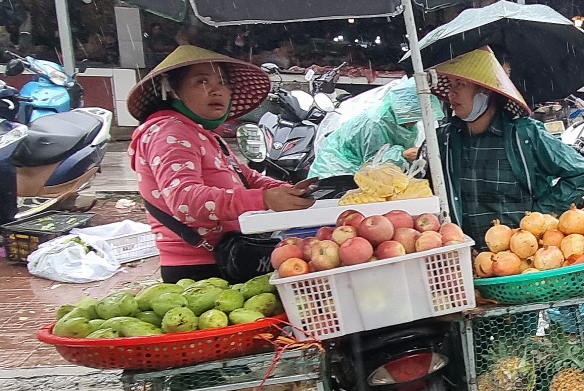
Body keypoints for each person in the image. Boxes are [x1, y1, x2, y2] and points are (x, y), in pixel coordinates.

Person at [127, 46, 315, 283]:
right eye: (202, 81)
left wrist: (286, 190)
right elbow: (184, 199)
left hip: (228, 255)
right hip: (199, 269)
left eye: (223, 82)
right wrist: (265, 198)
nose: (217, 90)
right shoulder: (169, 131)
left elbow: (245, 177)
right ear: (172, 90)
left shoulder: (203, 134)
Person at [433, 47, 584, 241]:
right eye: (450, 84)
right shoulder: (444, 139)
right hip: (464, 257)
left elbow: (582, 172)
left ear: (486, 89)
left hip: (521, 256)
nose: (451, 93)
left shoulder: (524, 134)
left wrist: (539, 214)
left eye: (460, 84)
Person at [309, 76, 442, 186]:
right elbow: (374, 165)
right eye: (413, 116)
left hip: (361, 175)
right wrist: (403, 154)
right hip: (337, 174)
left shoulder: (405, 123)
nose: (414, 122)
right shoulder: (375, 123)